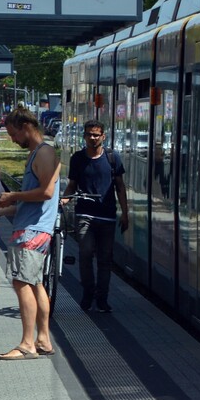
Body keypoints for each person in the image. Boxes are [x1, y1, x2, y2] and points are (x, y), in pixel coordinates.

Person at [0, 107, 61, 360]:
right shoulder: (40, 153)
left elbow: (46, 193)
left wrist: (13, 195)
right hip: (33, 227)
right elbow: (32, 201)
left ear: (26, 127)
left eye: (14, 134)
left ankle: (27, 344)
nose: (13, 139)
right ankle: (43, 339)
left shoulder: (44, 153)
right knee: (34, 283)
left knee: (21, 282)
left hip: (32, 231)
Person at [61, 120, 128, 312]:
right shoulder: (78, 159)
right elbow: (72, 185)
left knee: (105, 260)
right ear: (84, 136)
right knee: (85, 253)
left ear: (103, 137)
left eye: (96, 135)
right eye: (89, 134)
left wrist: (125, 213)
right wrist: (64, 200)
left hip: (107, 216)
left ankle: (102, 298)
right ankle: (88, 292)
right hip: (84, 214)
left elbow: (120, 187)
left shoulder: (112, 158)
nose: (92, 138)